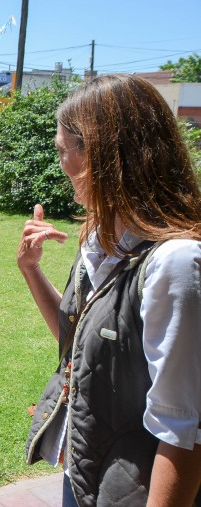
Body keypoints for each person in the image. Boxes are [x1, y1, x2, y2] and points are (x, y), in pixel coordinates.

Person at [18, 74, 201, 506]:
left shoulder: (174, 264)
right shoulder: (99, 239)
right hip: (87, 477)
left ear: (103, 156)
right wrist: (30, 270)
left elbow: (183, 433)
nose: (61, 166)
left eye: (65, 151)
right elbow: (77, 343)